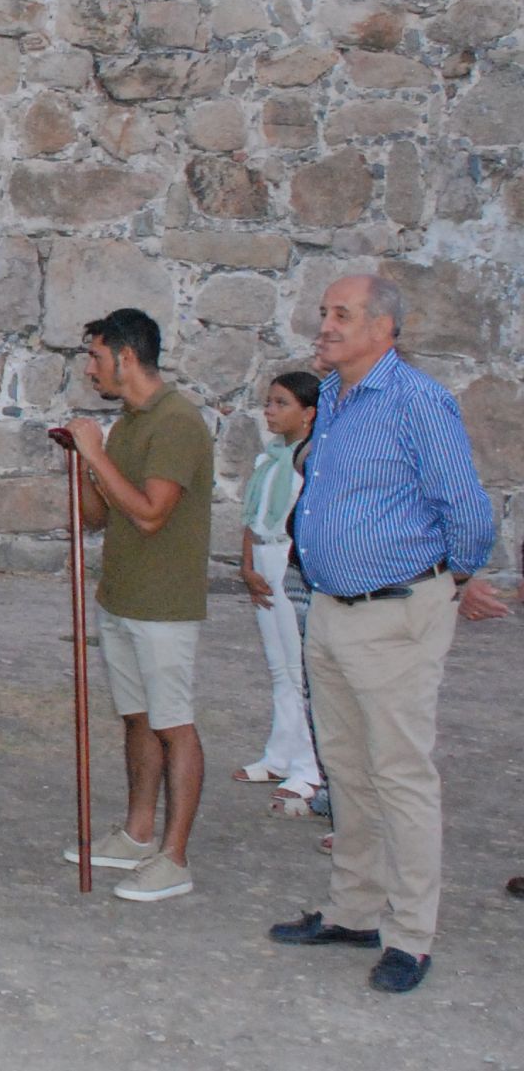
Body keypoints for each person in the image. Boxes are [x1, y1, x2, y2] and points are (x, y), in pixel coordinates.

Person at [268, 274, 502, 995]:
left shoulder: (417, 401)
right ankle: (355, 909)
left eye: (341, 314)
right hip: (334, 609)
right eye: (324, 313)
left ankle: (412, 935)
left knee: (400, 773)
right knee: (348, 766)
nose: (326, 325)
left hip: (398, 609)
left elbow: (465, 507)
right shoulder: (335, 396)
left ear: (384, 327)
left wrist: (452, 580)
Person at [61, 308, 214, 904]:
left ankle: (175, 857)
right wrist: (79, 466)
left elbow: (152, 513)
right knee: (138, 718)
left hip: (164, 603)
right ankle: (138, 832)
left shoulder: (176, 421)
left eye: (96, 356)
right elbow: (103, 516)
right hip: (121, 594)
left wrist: (95, 455)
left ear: (126, 357)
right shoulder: (127, 424)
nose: (90, 368)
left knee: (173, 723)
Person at [232, 371, 323, 815]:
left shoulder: (310, 462)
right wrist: (247, 565)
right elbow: (253, 518)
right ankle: (280, 753)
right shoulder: (268, 459)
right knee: (278, 666)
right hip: (265, 558)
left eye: (281, 403)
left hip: (292, 561)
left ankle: (310, 767)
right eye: (269, 401)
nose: (270, 410)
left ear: (308, 414)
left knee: (301, 667)